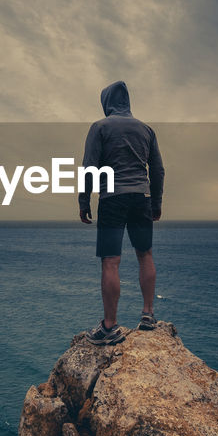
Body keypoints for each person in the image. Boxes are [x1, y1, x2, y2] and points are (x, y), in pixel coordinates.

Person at [78, 80, 164, 345]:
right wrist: (156, 203)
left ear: (107, 103)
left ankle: (109, 326)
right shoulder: (146, 130)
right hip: (142, 198)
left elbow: (89, 168)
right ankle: (148, 314)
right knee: (145, 255)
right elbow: (158, 170)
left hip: (112, 199)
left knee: (110, 261)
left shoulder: (100, 127)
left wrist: (84, 202)